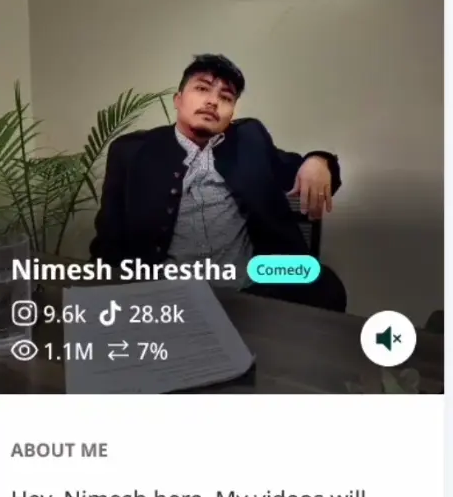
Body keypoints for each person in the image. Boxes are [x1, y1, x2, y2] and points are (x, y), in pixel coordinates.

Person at [90, 54, 346, 312]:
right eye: (202, 89)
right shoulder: (132, 152)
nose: (213, 101)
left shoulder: (250, 139)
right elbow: (109, 241)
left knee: (328, 289)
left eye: (226, 97)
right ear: (178, 100)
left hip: (251, 292)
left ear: (232, 112)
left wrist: (319, 160)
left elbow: (305, 173)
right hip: (169, 298)